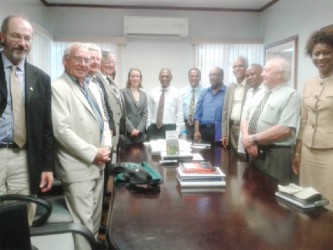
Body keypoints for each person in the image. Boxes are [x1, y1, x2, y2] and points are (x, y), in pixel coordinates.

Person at [51, 43, 111, 250]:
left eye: (87, 60)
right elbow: (62, 131)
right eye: (78, 59)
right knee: (82, 224)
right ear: (65, 60)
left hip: (99, 163)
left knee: (94, 219)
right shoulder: (58, 87)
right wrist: (94, 153)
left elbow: (104, 121)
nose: (84, 64)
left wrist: (107, 147)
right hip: (78, 166)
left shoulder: (91, 86)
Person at [0, 15, 54, 224]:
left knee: (21, 219)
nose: (23, 44)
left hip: (24, 158)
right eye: (16, 36)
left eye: (28, 38)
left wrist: (48, 166)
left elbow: (46, 128)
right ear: (2, 37)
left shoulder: (41, 79)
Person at [241, 57, 301, 184]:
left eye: (267, 71)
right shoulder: (260, 92)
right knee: (254, 190)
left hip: (277, 153)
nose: (262, 74)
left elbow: (284, 129)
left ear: (280, 74)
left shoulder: (291, 95)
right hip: (254, 149)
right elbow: (245, 117)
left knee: (272, 194)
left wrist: (251, 139)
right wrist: (248, 140)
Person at [292, 30, 333, 211]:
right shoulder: (308, 83)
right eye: (316, 53)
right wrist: (298, 153)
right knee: (307, 199)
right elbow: (304, 121)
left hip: (330, 152)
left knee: (329, 203)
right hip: (308, 151)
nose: (321, 57)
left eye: (327, 52)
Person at [96, 50, 126, 150]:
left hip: (114, 132)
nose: (111, 65)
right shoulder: (96, 79)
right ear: (100, 62)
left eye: (114, 62)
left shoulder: (110, 80)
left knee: (111, 164)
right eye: (108, 62)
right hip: (106, 131)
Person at [147, 68, 184, 140]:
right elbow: (149, 112)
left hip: (171, 129)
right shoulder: (153, 92)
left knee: (170, 151)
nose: (164, 78)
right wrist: (148, 127)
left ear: (171, 77)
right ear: (159, 78)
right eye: (162, 76)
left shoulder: (177, 93)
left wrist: (178, 130)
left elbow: (180, 113)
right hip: (154, 128)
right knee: (153, 150)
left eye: (167, 76)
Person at [222, 56, 249, 152]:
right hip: (231, 129)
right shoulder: (230, 87)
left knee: (244, 159)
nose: (237, 69)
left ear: (246, 67)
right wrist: (224, 134)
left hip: (246, 130)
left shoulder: (251, 86)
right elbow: (225, 112)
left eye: (240, 66)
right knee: (232, 159)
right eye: (234, 67)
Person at [194, 67, 226, 144]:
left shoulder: (227, 92)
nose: (212, 77)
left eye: (215, 75)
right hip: (204, 130)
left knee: (218, 153)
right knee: (203, 153)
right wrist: (196, 131)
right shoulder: (204, 92)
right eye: (210, 75)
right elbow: (197, 114)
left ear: (222, 77)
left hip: (219, 129)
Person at [238, 64, 265, 155]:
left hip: (257, 141)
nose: (249, 78)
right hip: (246, 138)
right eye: (247, 76)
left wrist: (251, 141)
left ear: (262, 74)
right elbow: (245, 117)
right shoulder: (250, 92)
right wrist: (246, 139)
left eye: (252, 74)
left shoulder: (268, 91)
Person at [121, 68, 148, 144]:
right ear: (129, 78)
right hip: (127, 133)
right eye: (133, 76)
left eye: (137, 76)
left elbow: (145, 114)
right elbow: (122, 113)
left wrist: (139, 129)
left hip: (140, 134)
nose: (135, 78)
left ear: (140, 79)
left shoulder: (144, 95)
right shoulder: (122, 92)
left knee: (141, 155)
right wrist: (131, 129)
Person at [181, 68, 203, 141]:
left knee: (198, 148)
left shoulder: (205, 91)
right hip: (185, 124)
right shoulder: (182, 91)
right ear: (188, 77)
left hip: (200, 125)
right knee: (185, 146)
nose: (194, 78)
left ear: (200, 77)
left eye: (196, 76)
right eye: (192, 76)